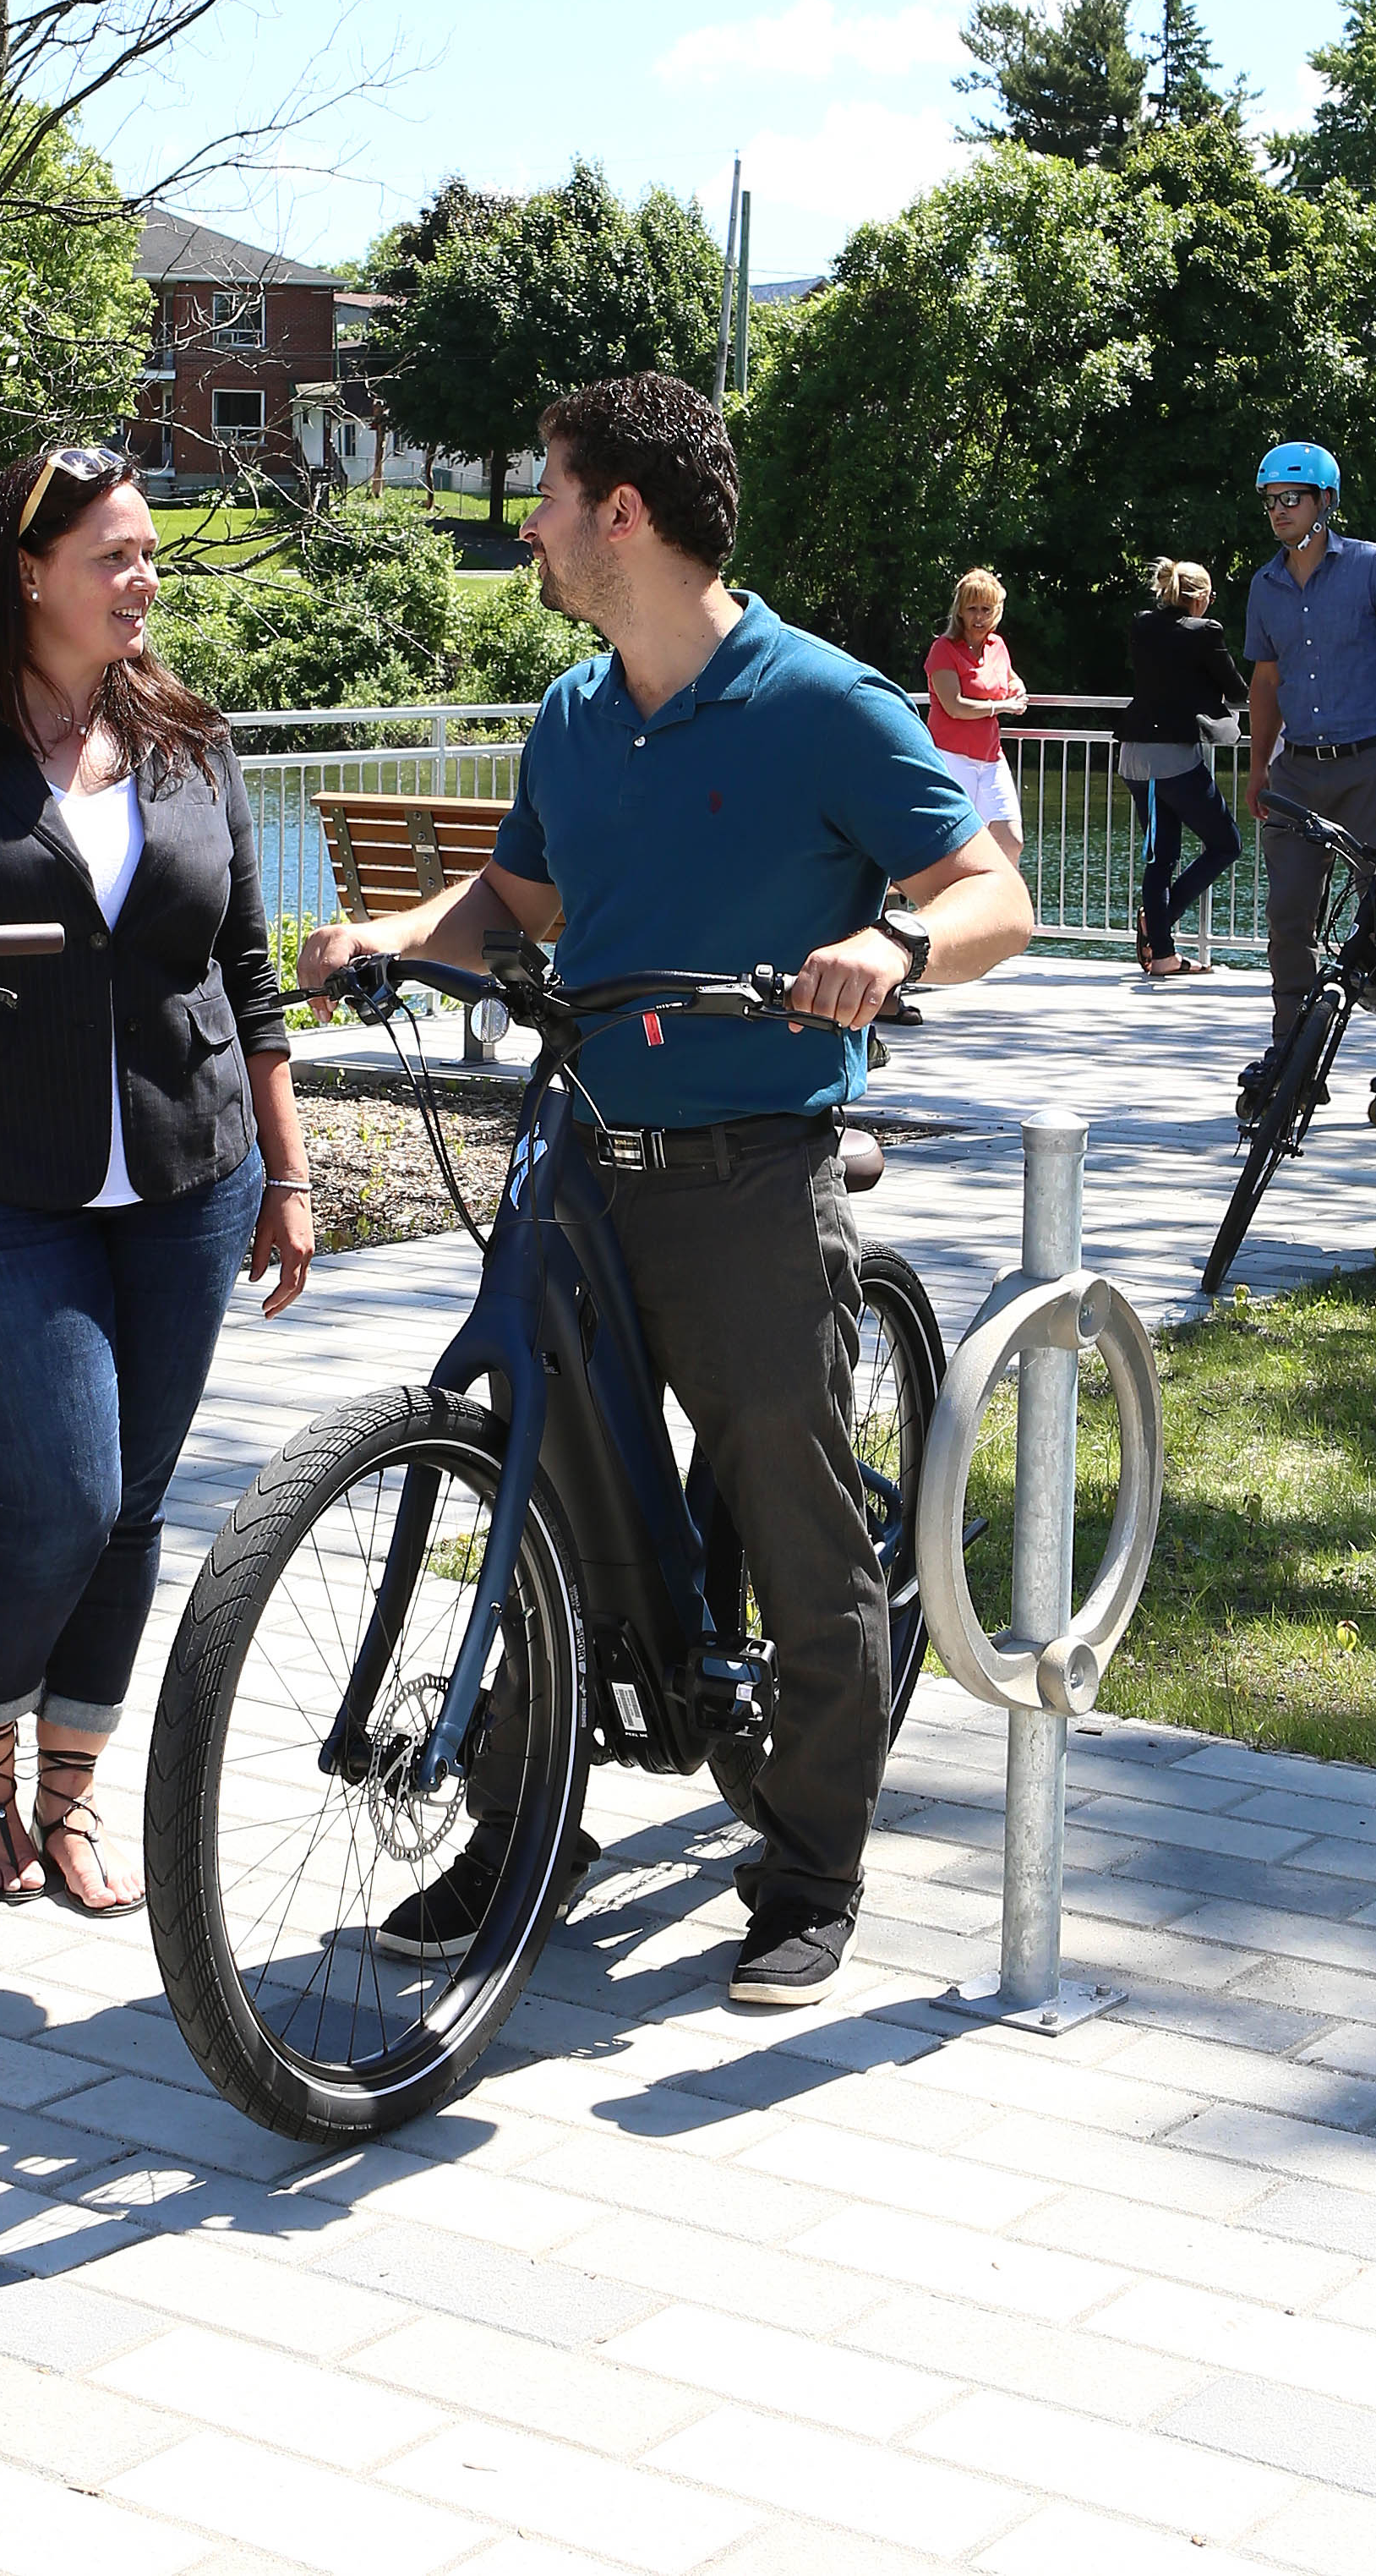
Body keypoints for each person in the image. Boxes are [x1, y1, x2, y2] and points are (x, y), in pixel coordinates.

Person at [298, 372, 1035, 2008]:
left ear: (622, 510)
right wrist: (395, 940)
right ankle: (527, 1822)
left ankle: (807, 1860)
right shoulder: (574, 710)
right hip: (574, 1157)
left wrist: (891, 942)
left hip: (749, 1167)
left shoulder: (825, 701)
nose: (538, 522)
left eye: (550, 490)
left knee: (793, 1507)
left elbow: (999, 891)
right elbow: (517, 896)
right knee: (542, 1493)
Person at [0, 444, 314, 1915]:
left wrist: (285, 1171)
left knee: (136, 1506)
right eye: (115, 556)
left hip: (186, 1181)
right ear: (29, 573)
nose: (144, 580)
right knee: (61, 1496)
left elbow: (249, 974)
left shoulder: (193, 741)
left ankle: (75, 1795)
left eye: (150, 556)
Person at [1241, 442, 1376, 1102]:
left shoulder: (1372, 567)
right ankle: (1291, 1051)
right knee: (1289, 915)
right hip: (1296, 770)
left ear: (1325, 502)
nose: (1278, 511)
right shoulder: (1264, 585)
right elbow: (1266, 682)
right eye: (1270, 500)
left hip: (1372, 767)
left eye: (1290, 498)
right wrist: (1255, 767)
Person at [1118, 560, 1242, 976]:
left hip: (1134, 756)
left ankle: (1164, 954)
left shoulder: (1142, 625)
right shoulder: (1206, 632)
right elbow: (1235, 688)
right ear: (1202, 597)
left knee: (1160, 857)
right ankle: (1158, 931)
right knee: (1226, 843)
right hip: (1170, 758)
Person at [923, 572, 1026, 866]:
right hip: (951, 756)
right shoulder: (943, 649)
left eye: (986, 609)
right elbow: (954, 706)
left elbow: (1009, 678)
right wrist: (1001, 706)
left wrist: (1017, 687)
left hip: (991, 757)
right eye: (972, 609)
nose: (979, 617)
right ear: (960, 611)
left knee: (1011, 842)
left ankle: (998, 908)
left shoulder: (997, 646)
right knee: (951, 845)